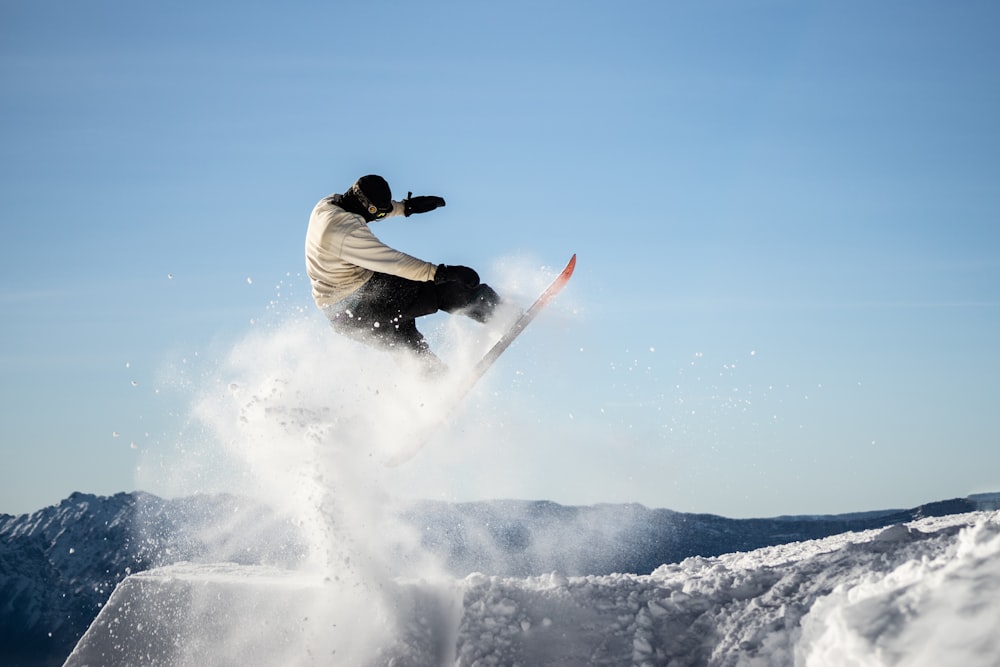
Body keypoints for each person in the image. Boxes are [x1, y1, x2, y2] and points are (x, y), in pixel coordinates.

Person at [305, 174, 500, 369]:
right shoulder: (343, 231)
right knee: (435, 288)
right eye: (379, 215)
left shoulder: (329, 204)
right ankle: (499, 313)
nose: (379, 218)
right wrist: (441, 272)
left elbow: (364, 209)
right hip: (359, 302)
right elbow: (395, 263)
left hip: (343, 317)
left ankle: (436, 383)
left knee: (404, 343)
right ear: (369, 209)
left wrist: (405, 208)